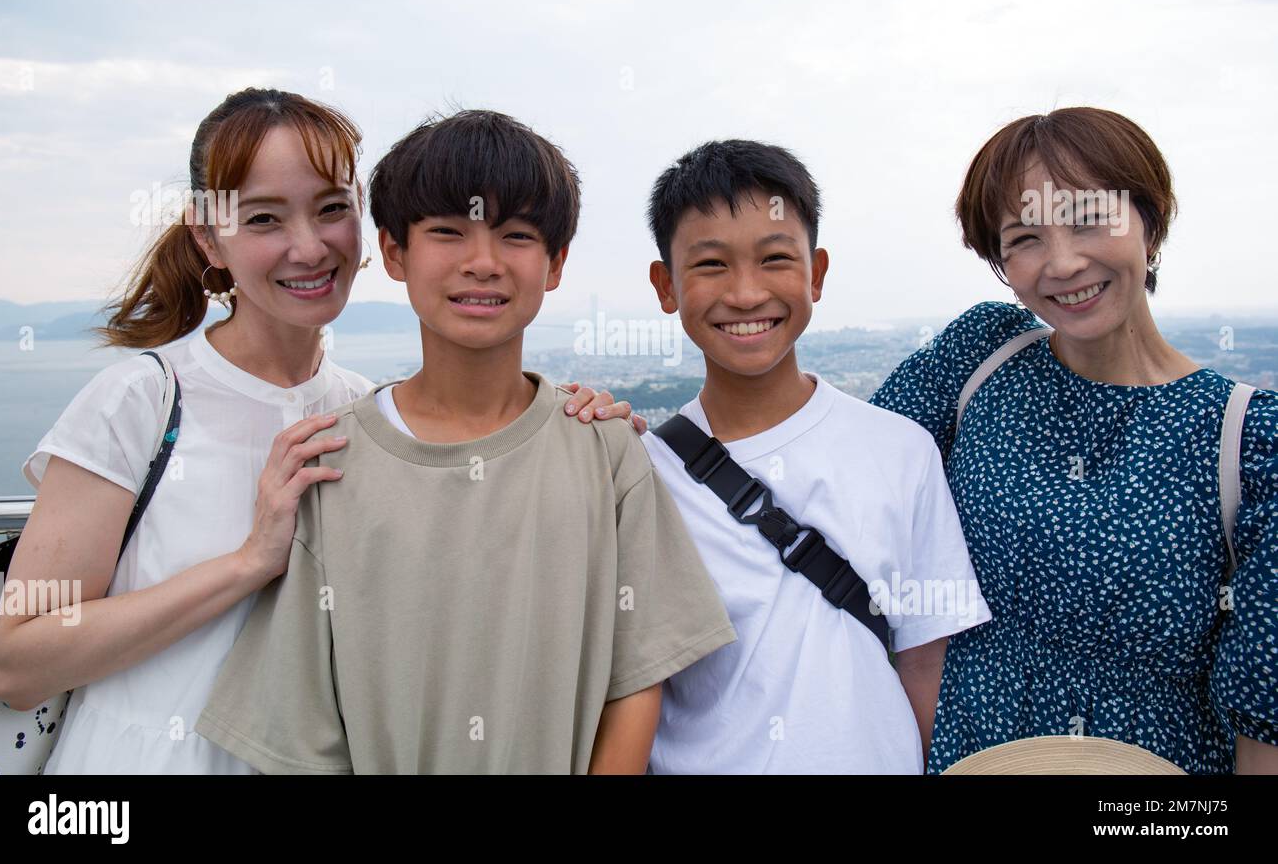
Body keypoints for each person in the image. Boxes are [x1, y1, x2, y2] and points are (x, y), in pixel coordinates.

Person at [0, 89, 636, 774]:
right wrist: (246, 564)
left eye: (331, 210)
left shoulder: (362, 411)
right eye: (265, 218)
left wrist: (576, 424)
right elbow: (19, 662)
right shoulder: (143, 401)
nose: (308, 246)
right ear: (209, 237)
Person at [194, 109, 736, 774]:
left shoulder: (604, 449)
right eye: (447, 233)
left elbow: (639, 677)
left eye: (515, 235)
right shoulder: (330, 463)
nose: (483, 263)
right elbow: (300, 729)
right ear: (394, 252)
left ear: (555, 262)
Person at [870, 107, 1278, 774]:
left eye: (1090, 219)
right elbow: (837, 467)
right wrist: (640, 447)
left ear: (1151, 222)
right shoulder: (983, 358)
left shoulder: (1251, 440)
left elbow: (1266, 718)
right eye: (1024, 237)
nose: (1062, 262)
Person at [638, 139, 990, 773]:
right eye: (711, 265)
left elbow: (923, 664)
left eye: (775, 259)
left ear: (816, 273)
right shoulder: (640, 474)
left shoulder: (902, 453)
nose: (746, 295)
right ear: (666, 285)